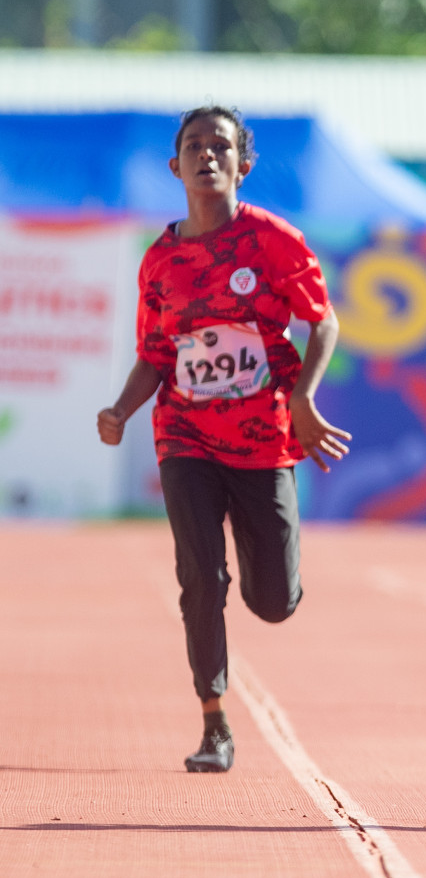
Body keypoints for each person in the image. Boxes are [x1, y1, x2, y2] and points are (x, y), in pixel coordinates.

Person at [97, 106, 350, 773]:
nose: (208, 155)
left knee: (270, 603)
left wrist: (303, 398)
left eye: (221, 146)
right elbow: (154, 354)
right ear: (175, 166)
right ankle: (214, 724)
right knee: (200, 577)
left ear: (245, 163)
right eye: (194, 147)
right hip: (184, 435)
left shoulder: (270, 240)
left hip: (263, 437)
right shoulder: (159, 260)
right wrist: (121, 410)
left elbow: (322, 323)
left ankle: (279, 578)